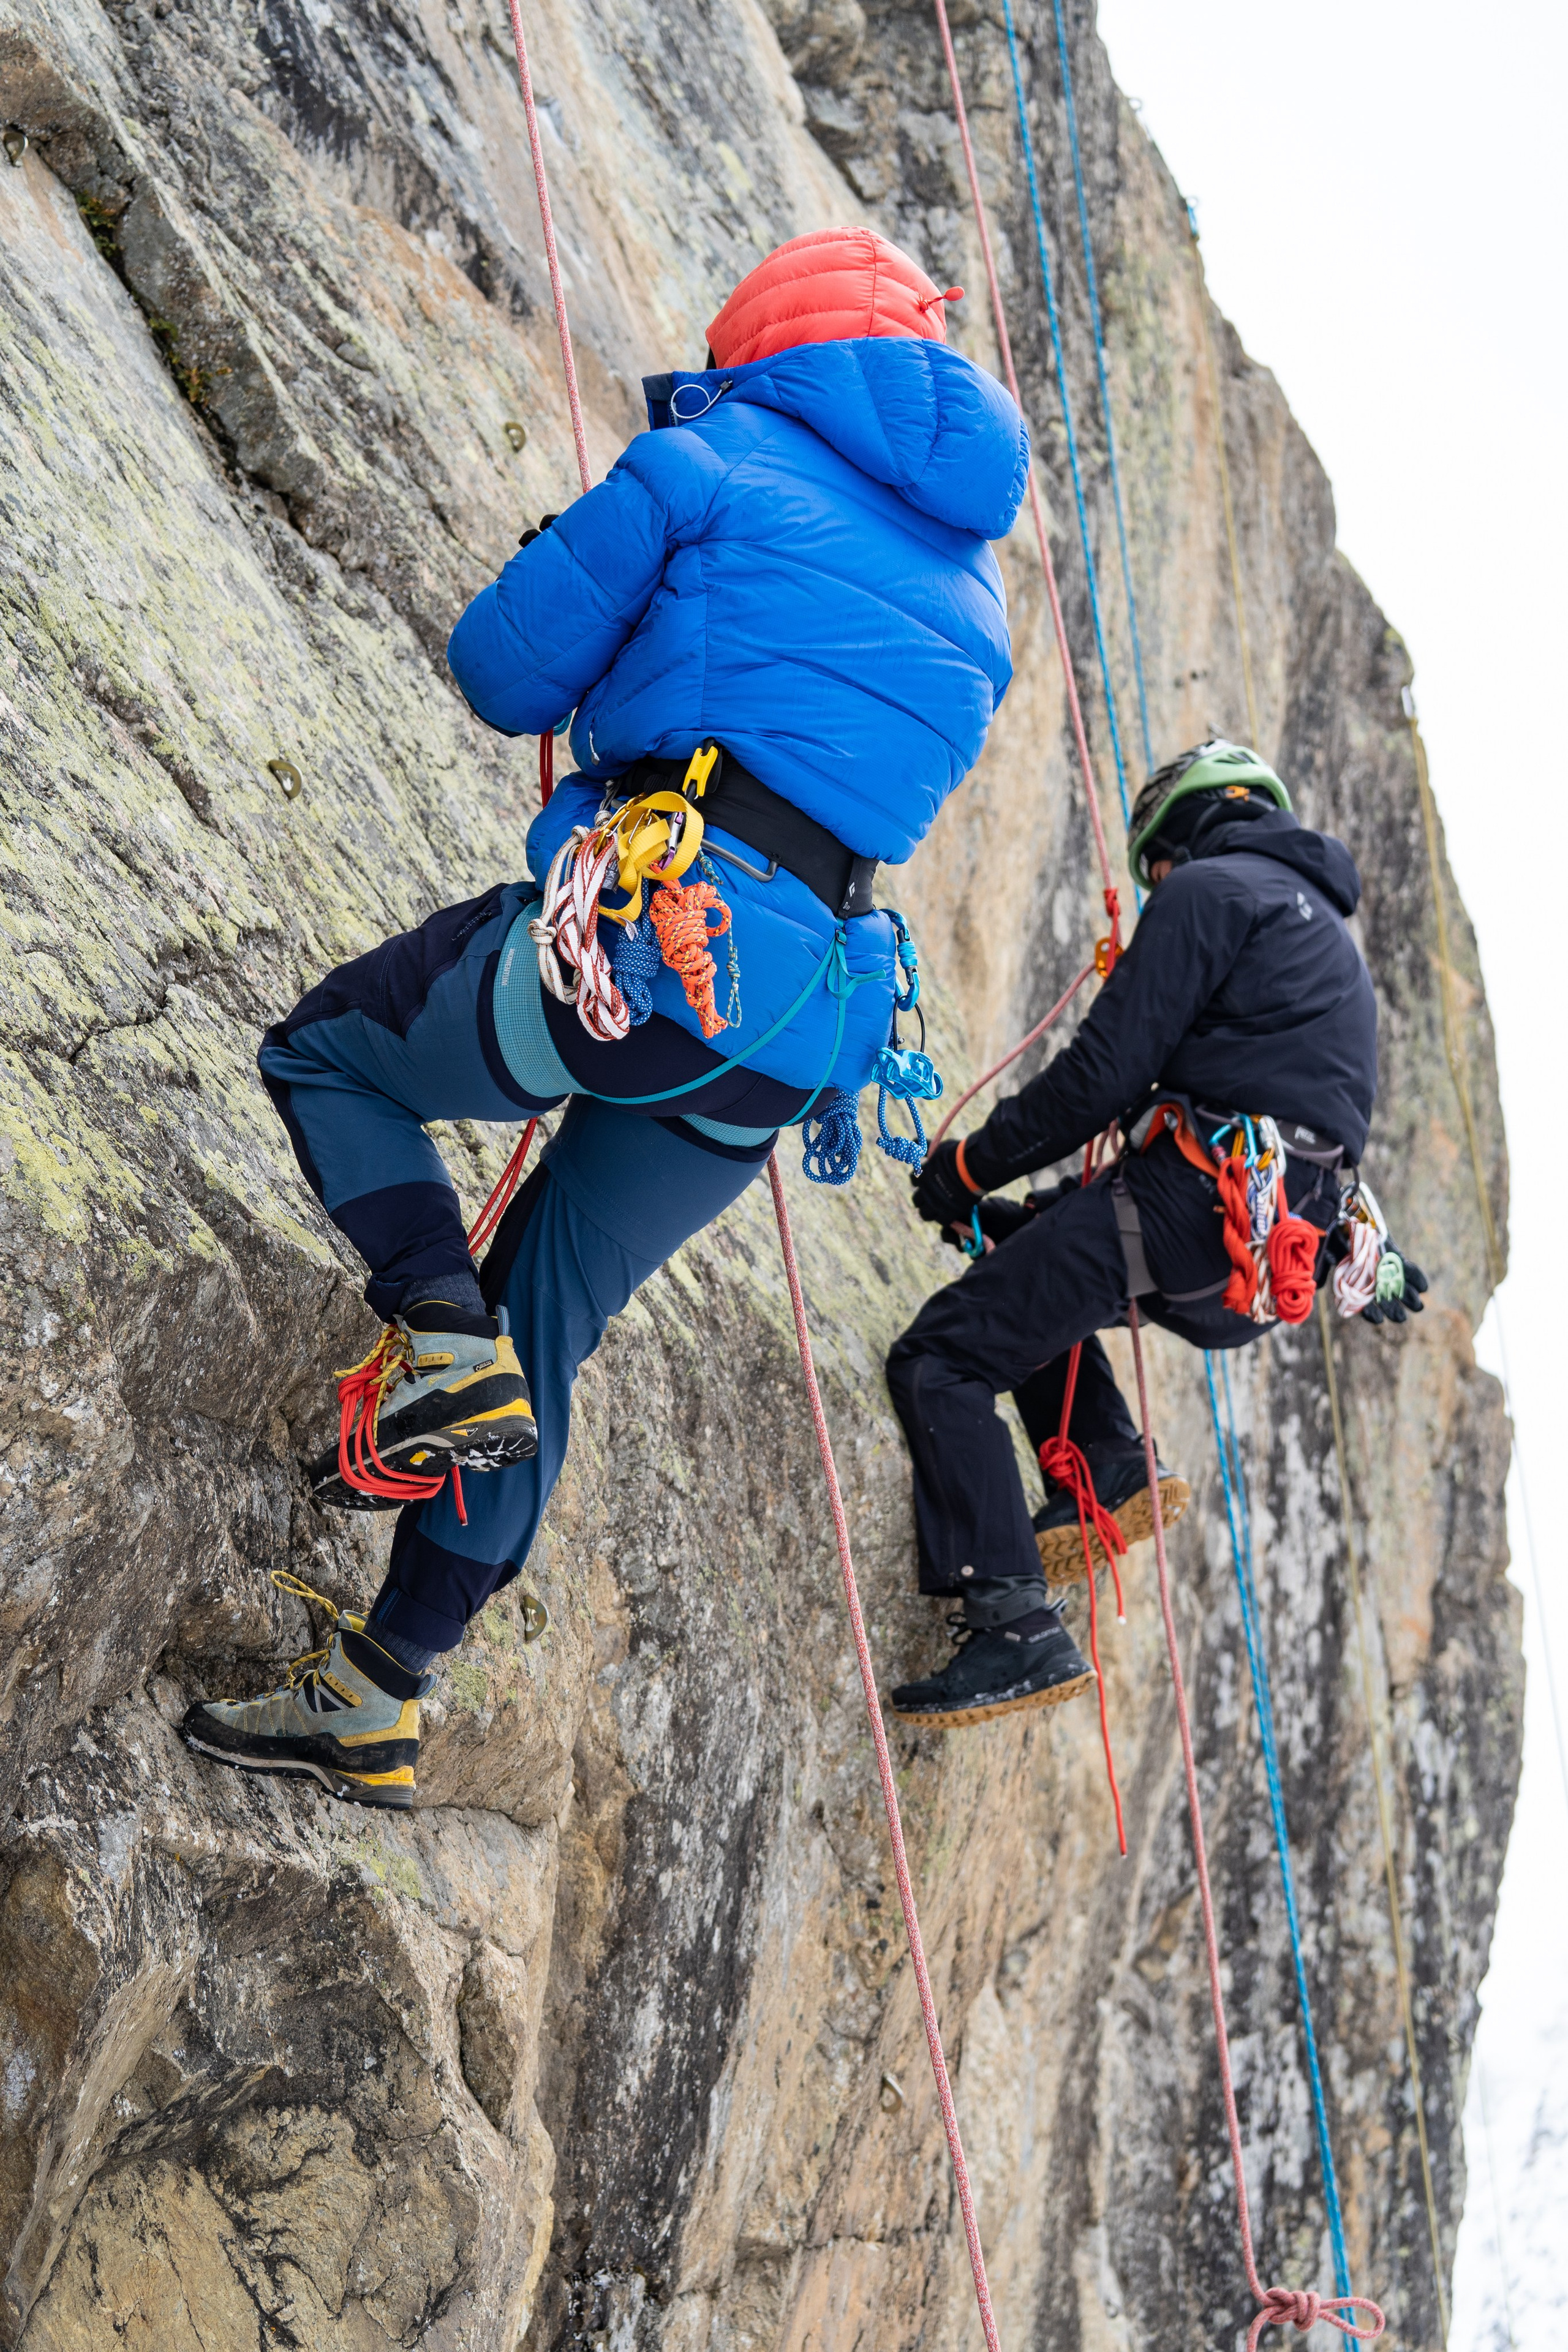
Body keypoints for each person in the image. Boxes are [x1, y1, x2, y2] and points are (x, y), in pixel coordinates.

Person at [181, 226, 1028, 1807]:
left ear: (770, 349)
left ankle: (432, 1324)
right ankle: (380, 1691)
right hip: (787, 1028)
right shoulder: (976, 604)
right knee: (544, 1334)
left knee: (333, 1055)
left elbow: (505, 668)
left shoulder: (710, 462)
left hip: (646, 940)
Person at [885, 739, 1425, 1731]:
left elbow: (1099, 1082)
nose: (1155, 888)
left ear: (1183, 833)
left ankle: (1010, 1620)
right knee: (1029, 1260)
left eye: (1156, 868)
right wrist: (1010, 1211)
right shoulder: (1338, 957)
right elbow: (1315, 1122)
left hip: (1185, 1205)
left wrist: (970, 1167)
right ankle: (1114, 1464)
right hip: (1260, 1260)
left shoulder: (1212, 894)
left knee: (939, 1359)